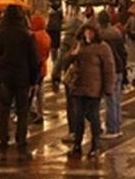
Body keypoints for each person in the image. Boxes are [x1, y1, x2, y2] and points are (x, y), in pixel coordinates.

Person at [0, 5, 40, 161]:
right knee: (22, 112)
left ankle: (3, 145)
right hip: (23, 78)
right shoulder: (27, 36)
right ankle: (21, 145)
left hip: (5, 78)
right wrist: (33, 80)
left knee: (4, 112)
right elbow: (34, 60)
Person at [64, 23, 116, 158]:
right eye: (86, 32)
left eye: (91, 32)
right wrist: (73, 55)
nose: (88, 35)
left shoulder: (103, 48)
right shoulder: (79, 45)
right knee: (78, 117)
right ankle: (77, 144)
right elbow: (65, 62)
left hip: (94, 88)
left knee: (94, 117)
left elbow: (109, 69)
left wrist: (108, 88)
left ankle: (95, 145)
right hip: (78, 86)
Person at [53, 14, 82, 143]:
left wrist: (56, 75)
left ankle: (73, 132)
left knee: (71, 105)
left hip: (70, 76)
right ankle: (81, 130)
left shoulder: (67, 41)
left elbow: (60, 59)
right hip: (83, 75)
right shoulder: (84, 39)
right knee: (82, 105)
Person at [98, 10, 126, 139]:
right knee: (116, 100)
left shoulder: (103, 35)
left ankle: (112, 128)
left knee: (110, 100)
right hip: (119, 67)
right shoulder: (117, 32)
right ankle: (117, 126)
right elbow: (123, 51)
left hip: (110, 69)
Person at [29, 14, 52, 124]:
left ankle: (31, 111)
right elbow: (47, 53)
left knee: (32, 90)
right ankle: (40, 113)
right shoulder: (46, 36)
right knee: (40, 92)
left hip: (34, 67)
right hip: (43, 66)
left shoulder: (34, 36)